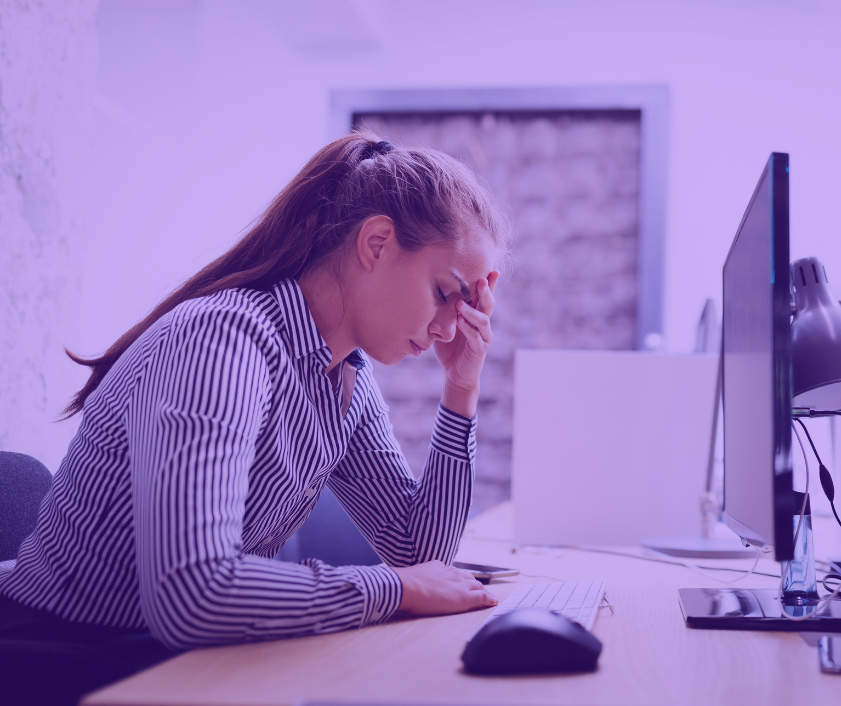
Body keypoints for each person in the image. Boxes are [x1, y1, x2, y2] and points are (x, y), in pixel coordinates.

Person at [0, 133, 510, 705]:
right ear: (377, 243)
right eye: (444, 293)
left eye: (465, 307)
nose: (449, 328)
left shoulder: (344, 376)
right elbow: (193, 593)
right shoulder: (220, 340)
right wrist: (392, 588)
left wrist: (461, 387)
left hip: (173, 656)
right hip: (63, 651)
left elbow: (420, 554)